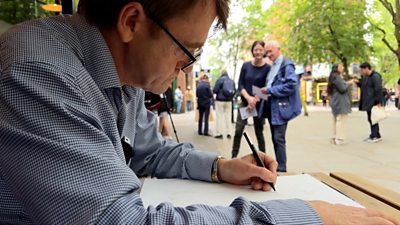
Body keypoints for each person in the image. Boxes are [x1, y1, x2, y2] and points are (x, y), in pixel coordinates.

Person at [0, 1, 398, 224]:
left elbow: (150, 150)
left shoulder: (125, 74)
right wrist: (306, 217)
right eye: (187, 48)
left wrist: (220, 167)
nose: (188, 68)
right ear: (132, 21)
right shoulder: (37, 72)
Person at [259, 40, 301, 173]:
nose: (268, 54)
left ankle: (282, 169)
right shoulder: (274, 66)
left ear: (278, 49)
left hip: (280, 108)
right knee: (275, 138)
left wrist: (270, 90)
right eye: (267, 52)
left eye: (270, 51)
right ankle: (279, 167)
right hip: (273, 107)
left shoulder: (286, 65)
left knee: (278, 138)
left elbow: (291, 86)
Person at [231, 40, 270, 159]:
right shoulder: (246, 65)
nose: (258, 52)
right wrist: (248, 99)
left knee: (259, 132)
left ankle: (263, 158)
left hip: (259, 103)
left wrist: (254, 100)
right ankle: (233, 157)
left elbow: (267, 88)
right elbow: (240, 85)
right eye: (255, 49)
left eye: (260, 49)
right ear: (252, 51)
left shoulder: (268, 68)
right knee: (238, 130)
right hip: (245, 102)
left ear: (264, 51)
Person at [356, 62, 383, 143]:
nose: (362, 72)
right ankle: (376, 134)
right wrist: (357, 83)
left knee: (373, 118)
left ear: (367, 68)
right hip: (368, 101)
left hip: (373, 101)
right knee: (371, 118)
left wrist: (378, 101)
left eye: (362, 70)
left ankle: (375, 136)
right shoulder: (366, 77)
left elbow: (378, 89)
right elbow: (363, 86)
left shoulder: (375, 76)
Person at [327, 64, 353, 145]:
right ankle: (339, 138)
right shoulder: (337, 77)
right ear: (337, 68)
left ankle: (334, 137)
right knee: (341, 120)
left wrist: (346, 82)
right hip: (340, 101)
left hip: (335, 101)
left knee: (336, 120)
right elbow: (342, 88)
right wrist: (349, 84)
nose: (342, 68)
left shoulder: (332, 77)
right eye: (341, 67)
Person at [213, 69, 235, 139]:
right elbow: (235, 90)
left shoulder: (219, 80)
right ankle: (229, 133)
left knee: (219, 117)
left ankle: (219, 133)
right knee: (228, 117)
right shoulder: (231, 81)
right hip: (229, 101)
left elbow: (215, 90)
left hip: (220, 100)